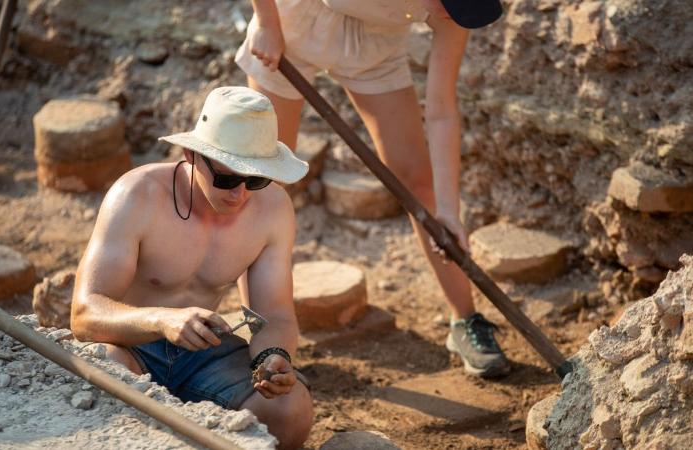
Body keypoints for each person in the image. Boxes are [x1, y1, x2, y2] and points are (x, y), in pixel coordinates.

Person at [236, 0, 510, 377]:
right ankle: (261, 340)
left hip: (374, 46)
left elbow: (443, 109)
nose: (454, 16)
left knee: (416, 180)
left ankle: (466, 319)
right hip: (293, 24)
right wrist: (267, 21)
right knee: (264, 182)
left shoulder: (458, 9)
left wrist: (447, 208)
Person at [70, 86, 313, 449]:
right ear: (192, 155)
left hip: (204, 351)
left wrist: (271, 357)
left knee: (291, 411)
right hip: (131, 344)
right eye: (228, 179)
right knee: (105, 374)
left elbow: (273, 314)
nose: (240, 194)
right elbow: (85, 314)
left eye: (256, 179)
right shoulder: (137, 195)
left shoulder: (273, 209)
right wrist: (161, 320)